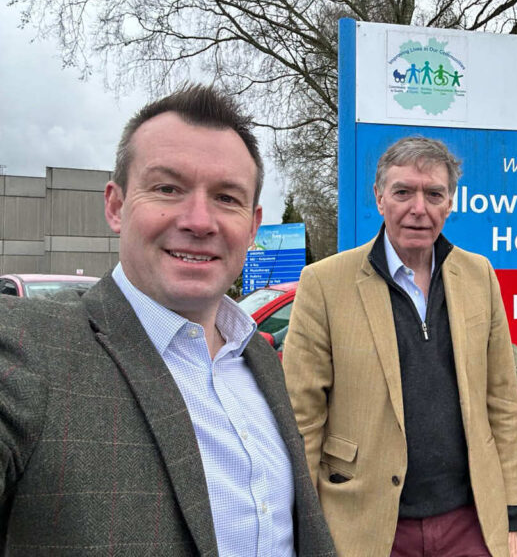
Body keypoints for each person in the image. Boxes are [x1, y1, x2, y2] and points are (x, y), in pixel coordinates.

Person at [0, 84, 335, 557]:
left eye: (226, 197)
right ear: (116, 206)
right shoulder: (29, 350)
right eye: (168, 188)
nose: (200, 220)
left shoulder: (258, 356)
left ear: (253, 225)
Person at [283, 136, 517, 557]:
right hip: (365, 523)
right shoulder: (324, 284)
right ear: (379, 198)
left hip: (468, 521)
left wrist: (510, 517)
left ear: (450, 202)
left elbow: (502, 400)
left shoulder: (479, 275)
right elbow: (302, 417)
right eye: (403, 192)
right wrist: (302, 528)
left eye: (434, 194)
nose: (419, 208)